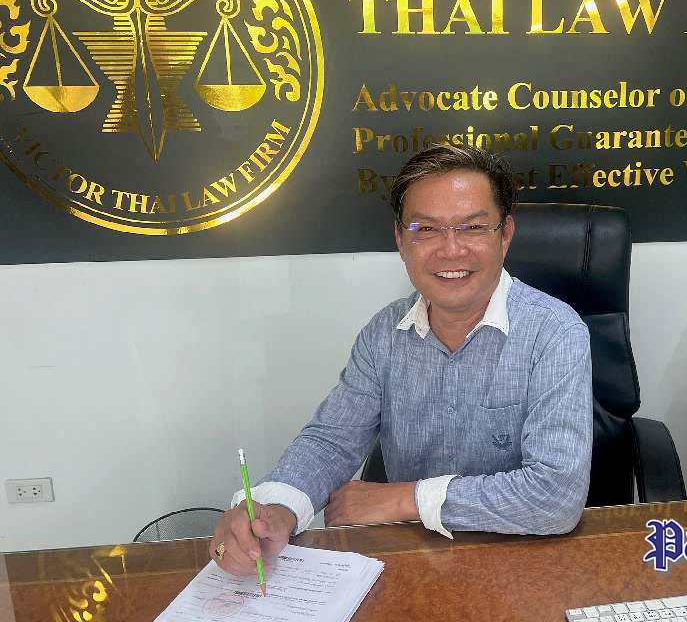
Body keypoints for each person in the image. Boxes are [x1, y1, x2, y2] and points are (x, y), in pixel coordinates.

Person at [210, 145, 593, 577]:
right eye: (425, 229)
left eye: (472, 227)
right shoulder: (384, 334)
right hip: (414, 563)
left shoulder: (555, 332)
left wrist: (402, 499)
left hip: (523, 565)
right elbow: (331, 441)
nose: (451, 250)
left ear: (504, 235)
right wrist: (276, 511)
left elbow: (555, 496)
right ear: (400, 239)